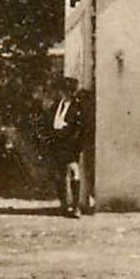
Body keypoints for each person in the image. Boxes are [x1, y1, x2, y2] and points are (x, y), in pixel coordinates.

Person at [48, 76, 94, 218]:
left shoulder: (77, 106)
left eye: (67, 91)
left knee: (74, 171)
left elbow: (81, 127)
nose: (64, 94)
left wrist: (76, 142)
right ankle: (63, 204)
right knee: (59, 174)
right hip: (57, 142)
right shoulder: (56, 105)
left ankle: (75, 206)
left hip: (70, 143)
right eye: (62, 91)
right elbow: (50, 122)